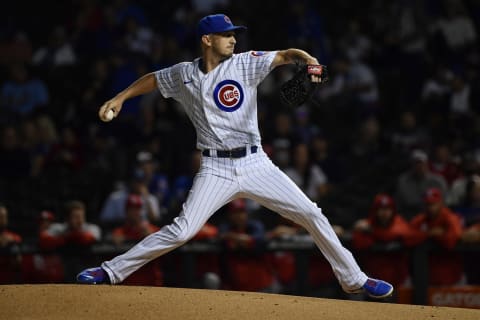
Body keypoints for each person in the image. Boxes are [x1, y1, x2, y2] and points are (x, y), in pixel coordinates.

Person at [77, 13, 393, 298]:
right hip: (215, 167)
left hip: (255, 163)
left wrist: (308, 58)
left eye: (234, 34)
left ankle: (354, 279)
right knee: (182, 230)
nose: (233, 39)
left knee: (311, 213)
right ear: (207, 40)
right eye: (227, 34)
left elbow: (285, 55)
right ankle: (110, 271)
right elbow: (153, 79)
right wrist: (120, 97)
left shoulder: (245, 63)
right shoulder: (183, 74)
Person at [409, 187, 464, 286]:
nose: (430, 208)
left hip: (451, 274)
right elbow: (408, 237)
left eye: (433, 204)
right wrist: (429, 234)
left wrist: (441, 236)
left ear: (440, 203)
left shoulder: (449, 218)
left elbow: (454, 238)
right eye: (428, 204)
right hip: (428, 275)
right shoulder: (421, 219)